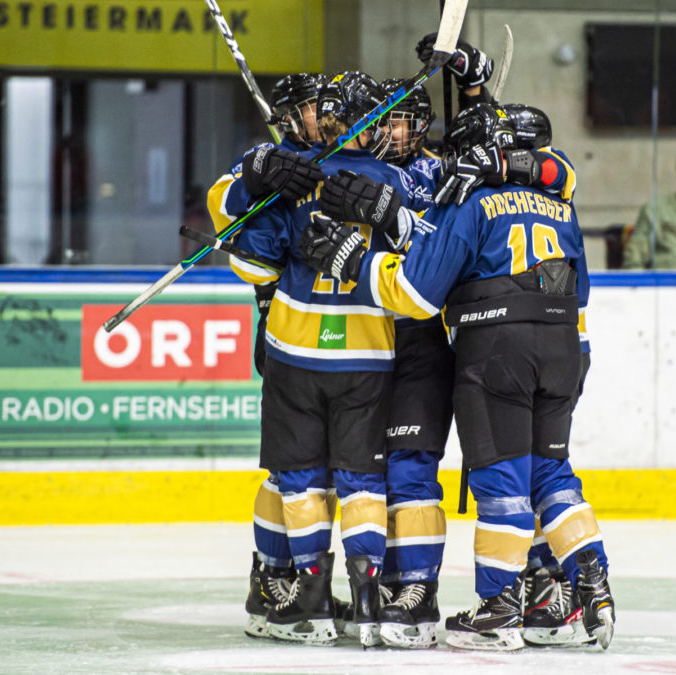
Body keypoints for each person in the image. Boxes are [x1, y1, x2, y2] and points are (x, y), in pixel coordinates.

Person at [297, 103, 616, 653]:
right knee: (551, 473)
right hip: (566, 346)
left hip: (497, 349)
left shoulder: (468, 202)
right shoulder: (559, 204)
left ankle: (498, 609)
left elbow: (419, 294)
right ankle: (592, 582)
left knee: (502, 483)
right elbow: (578, 289)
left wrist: (356, 264)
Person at [224, 70, 427, 647]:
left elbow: (254, 267)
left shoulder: (294, 177)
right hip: (367, 353)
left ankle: (310, 596)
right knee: (363, 478)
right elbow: (428, 255)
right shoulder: (396, 180)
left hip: (294, 352)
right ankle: (366, 599)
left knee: (301, 478)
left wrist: (265, 204)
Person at [205, 72, 343, 643]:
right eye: (315, 108)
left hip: (350, 340)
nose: (326, 116)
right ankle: (274, 577)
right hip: (287, 330)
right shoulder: (267, 157)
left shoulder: (347, 152)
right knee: (292, 468)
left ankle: (294, 581)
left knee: (332, 472)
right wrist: (259, 180)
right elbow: (220, 200)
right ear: (291, 116)